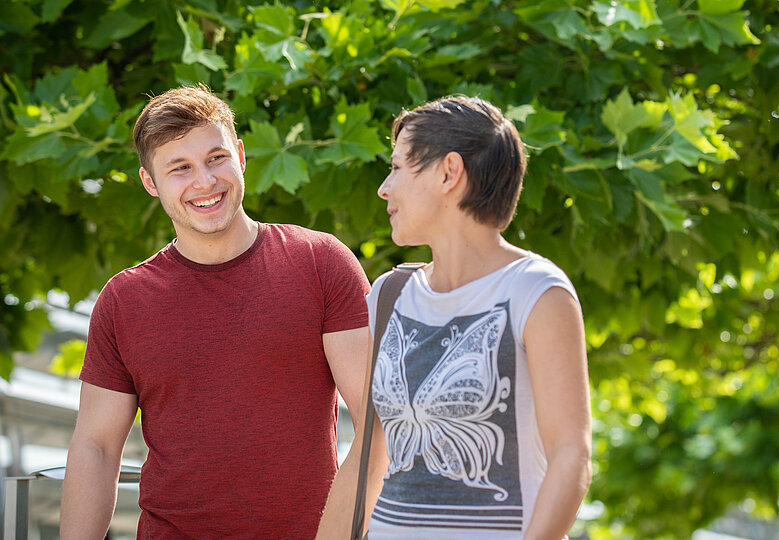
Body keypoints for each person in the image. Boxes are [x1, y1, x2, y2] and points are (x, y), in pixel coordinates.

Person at [60, 85, 371, 538]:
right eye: (179, 168)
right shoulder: (123, 300)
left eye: (216, 158)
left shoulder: (320, 262)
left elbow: (376, 420)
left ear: (241, 155)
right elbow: (96, 448)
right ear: (150, 182)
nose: (204, 181)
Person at [318, 96, 592, 539]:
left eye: (397, 168)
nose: (383, 188)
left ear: (449, 172)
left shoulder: (538, 292)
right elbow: (367, 459)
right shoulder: (390, 295)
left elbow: (571, 456)